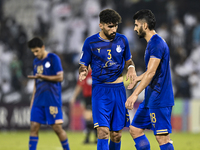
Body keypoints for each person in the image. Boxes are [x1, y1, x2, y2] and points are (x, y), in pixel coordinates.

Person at [79, 9, 137, 150]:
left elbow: (129, 61)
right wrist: (83, 71)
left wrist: (131, 68)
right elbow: (83, 64)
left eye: (116, 25)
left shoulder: (122, 40)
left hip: (118, 90)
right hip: (100, 90)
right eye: (110, 26)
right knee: (103, 132)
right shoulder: (90, 42)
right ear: (101, 25)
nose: (114, 29)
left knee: (116, 134)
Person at [125, 9, 174, 150]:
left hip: (160, 98)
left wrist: (134, 95)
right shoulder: (152, 43)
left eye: (136, 25)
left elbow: (151, 73)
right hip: (150, 98)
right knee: (135, 129)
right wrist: (138, 79)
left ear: (144, 25)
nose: (134, 28)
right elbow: (152, 71)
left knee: (162, 137)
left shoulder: (156, 43)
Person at [27, 37, 70, 150]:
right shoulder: (35, 62)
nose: (35, 54)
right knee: (34, 126)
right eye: (33, 52)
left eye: (37, 51)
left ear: (43, 47)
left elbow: (60, 77)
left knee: (57, 128)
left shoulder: (53, 58)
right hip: (38, 100)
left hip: (52, 99)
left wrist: (43, 76)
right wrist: (32, 101)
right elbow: (36, 83)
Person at [70, 66, 97, 144]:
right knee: (88, 117)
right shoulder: (83, 74)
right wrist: (74, 97)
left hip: (95, 97)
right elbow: (79, 86)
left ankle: (93, 138)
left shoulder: (96, 73)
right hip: (86, 98)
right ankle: (90, 138)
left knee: (92, 117)